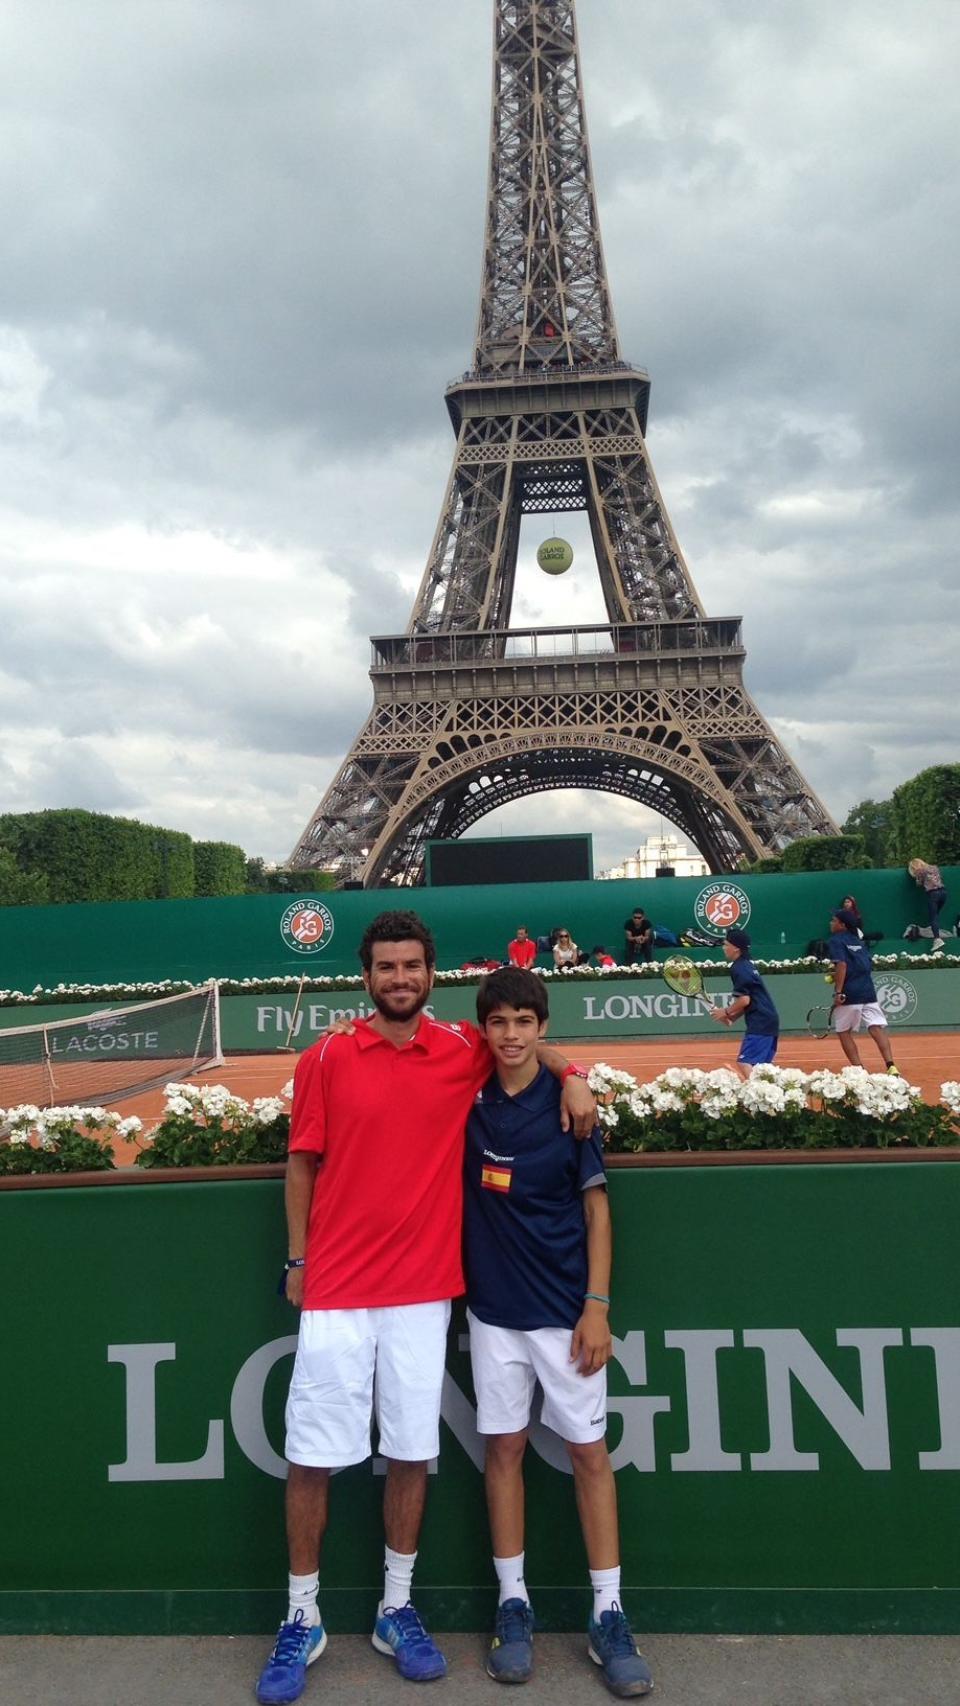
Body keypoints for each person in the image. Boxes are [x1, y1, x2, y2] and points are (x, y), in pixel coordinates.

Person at [256, 910, 595, 1705]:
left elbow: (524, 1044)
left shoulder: (459, 1050)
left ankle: (395, 1608)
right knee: (312, 1458)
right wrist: (299, 1259)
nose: (399, 979)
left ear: (430, 974)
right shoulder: (327, 1057)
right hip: (337, 1289)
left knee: (411, 1451)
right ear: (365, 977)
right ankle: (301, 1617)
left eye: (412, 966)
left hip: (421, 1292)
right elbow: (302, 1164)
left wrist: (573, 1069)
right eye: (385, 968)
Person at [463, 967, 653, 1697]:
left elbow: (597, 1211)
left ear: (541, 1027)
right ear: (484, 1028)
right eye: (499, 1021)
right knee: (503, 1451)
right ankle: (513, 1604)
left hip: (567, 1317)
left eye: (523, 1022)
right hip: (492, 1316)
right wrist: (568, 1064)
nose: (510, 1034)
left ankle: (609, 1613)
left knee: (588, 1456)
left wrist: (596, 1304)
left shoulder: (572, 1110)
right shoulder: (468, 1092)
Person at [827, 908, 899, 1074]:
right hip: (868, 991)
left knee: (843, 1032)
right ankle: (891, 1065)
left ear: (842, 925)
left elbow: (842, 964)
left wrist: (838, 991)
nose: (831, 923)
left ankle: (858, 1069)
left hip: (849, 993)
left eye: (833, 920)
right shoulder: (857, 940)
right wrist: (836, 976)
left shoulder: (836, 940)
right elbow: (863, 965)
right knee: (876, 1027)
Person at [710, 927, 779, 1073]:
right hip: (768, 1020)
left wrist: (725, 1011)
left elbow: (744, 1000)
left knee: (745, 1062)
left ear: (735, 948)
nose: (724, 948)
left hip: (761, 1022)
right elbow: (750, 999)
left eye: (726, 945)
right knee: (763, 1069)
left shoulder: (739, 968)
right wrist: (731, 1018)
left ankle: (757, 1094)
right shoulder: (747, 964)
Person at [908, 859, 948, 953]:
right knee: (936, 916)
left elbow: (918, 883)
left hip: (933, 894)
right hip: (943, 893)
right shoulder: (934, 868)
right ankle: (934, 929)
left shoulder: (920, 871)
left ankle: (937, 939)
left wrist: (917, 878)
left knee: (933, 917)